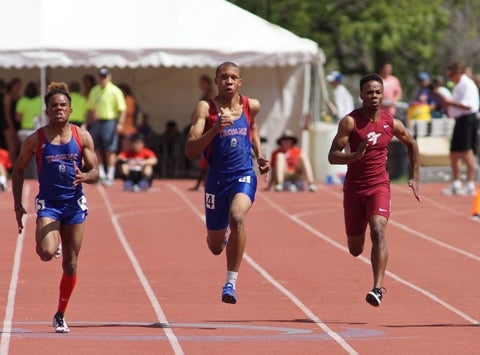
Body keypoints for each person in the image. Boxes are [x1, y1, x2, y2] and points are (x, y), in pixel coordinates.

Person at [12, 82, 99, 333]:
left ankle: (60, 313)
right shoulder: (35, 139)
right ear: (47, 111)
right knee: (46, 253)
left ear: (70, 110)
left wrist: (86, 176)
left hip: (73, 204)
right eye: (54, 106)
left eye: (63, 105)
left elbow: (96, 171)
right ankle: (49, 239)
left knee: (71, 264)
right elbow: (17, 173)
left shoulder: (82, 136)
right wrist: (18, 206)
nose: (58, 109)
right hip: (49, 204)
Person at [328, 73, 421, 307]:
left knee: (378, 230)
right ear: (361, 95)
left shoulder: (391, 122)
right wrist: (354, 156)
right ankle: (361, 253)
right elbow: (332, 156)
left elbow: (411, 144)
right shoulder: (350, 122)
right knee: (355, 248)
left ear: (383, 94)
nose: (374, 96)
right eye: (369, 92)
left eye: (378, 92)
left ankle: (377, 289)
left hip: (379, 185)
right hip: (354, 189)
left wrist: (414, 177)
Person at [185, 62, 270, 304]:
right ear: (216, 80)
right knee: (215, 247)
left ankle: (230, 282)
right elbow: (190, 150)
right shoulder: (205, 109)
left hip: (243, 174)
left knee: (238, 217)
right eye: (224, 77)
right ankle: (218, 237)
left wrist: (260, 154)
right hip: (215, 180)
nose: (229, 82)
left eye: (234, 78)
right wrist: (214, 130)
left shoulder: (250, 105)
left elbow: (252, 128)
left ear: (240, 82)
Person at [441, 61, 479, 196]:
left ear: (457, 73)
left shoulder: (467, 84)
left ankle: (470, 184)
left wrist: (450, 102)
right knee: (455, 152)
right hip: (460, 120)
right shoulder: (458, 86)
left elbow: (468, 105)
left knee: (466, 151)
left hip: (468, 120)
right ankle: (456, 183)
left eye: (450, 75)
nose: (449, 78)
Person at [86, 67, 127, 186]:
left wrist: (120, 123)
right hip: (97, 122)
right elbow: (90, 108)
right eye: (100, 77)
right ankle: (101, 173)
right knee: (96, 148)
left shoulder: (115, 90)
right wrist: (86, 123)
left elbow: (122, 109)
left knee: (110, 149)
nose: (102, 79)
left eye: (105, 77)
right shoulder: (94, 90)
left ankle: (110, 174)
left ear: (109, 77)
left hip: (110, 121)